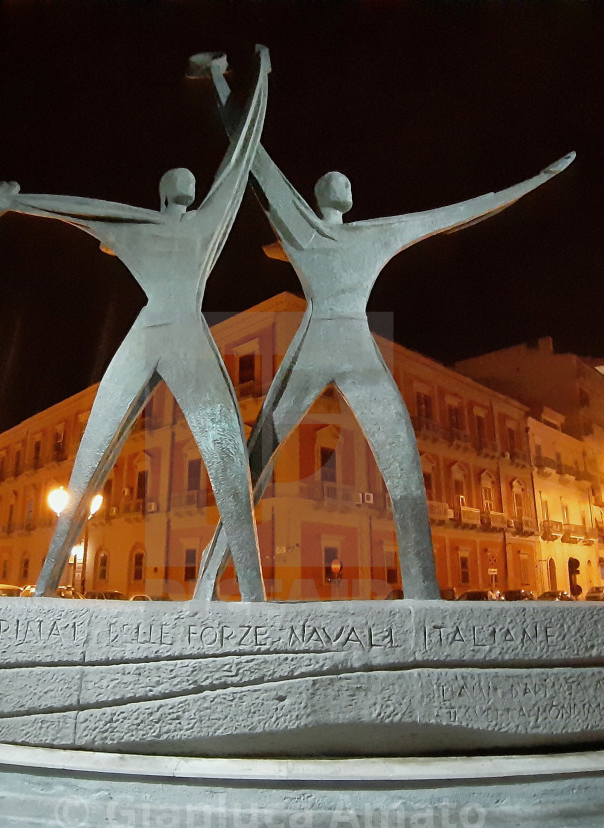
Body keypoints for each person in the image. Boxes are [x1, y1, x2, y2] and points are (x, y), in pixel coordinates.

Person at [189, 52, 574, 600]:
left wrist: (535, 181)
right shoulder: (298, 222)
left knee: (404, 467)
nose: (342, 183)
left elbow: (458, 213)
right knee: (258, 459)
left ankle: (423, 593)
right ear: (320, 196)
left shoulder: (377, 233)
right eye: (333, 180)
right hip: (315, 339)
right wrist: (221, 83)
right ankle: (206, 585)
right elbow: (253, 158)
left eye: (346, 181)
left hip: (357, 348)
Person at [0, 46, 271, 601]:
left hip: (170, 328)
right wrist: (19, 204)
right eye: (178, 178)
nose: (188, 181)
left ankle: (253, 596)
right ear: (165, 192)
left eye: (189, 177)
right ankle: (44, 588)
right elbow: (83, 210)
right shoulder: (144, 225)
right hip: (163, 328)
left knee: (226, 455)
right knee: (93, 452)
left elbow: (239, 161)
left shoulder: (177, 223)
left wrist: (256, 86)